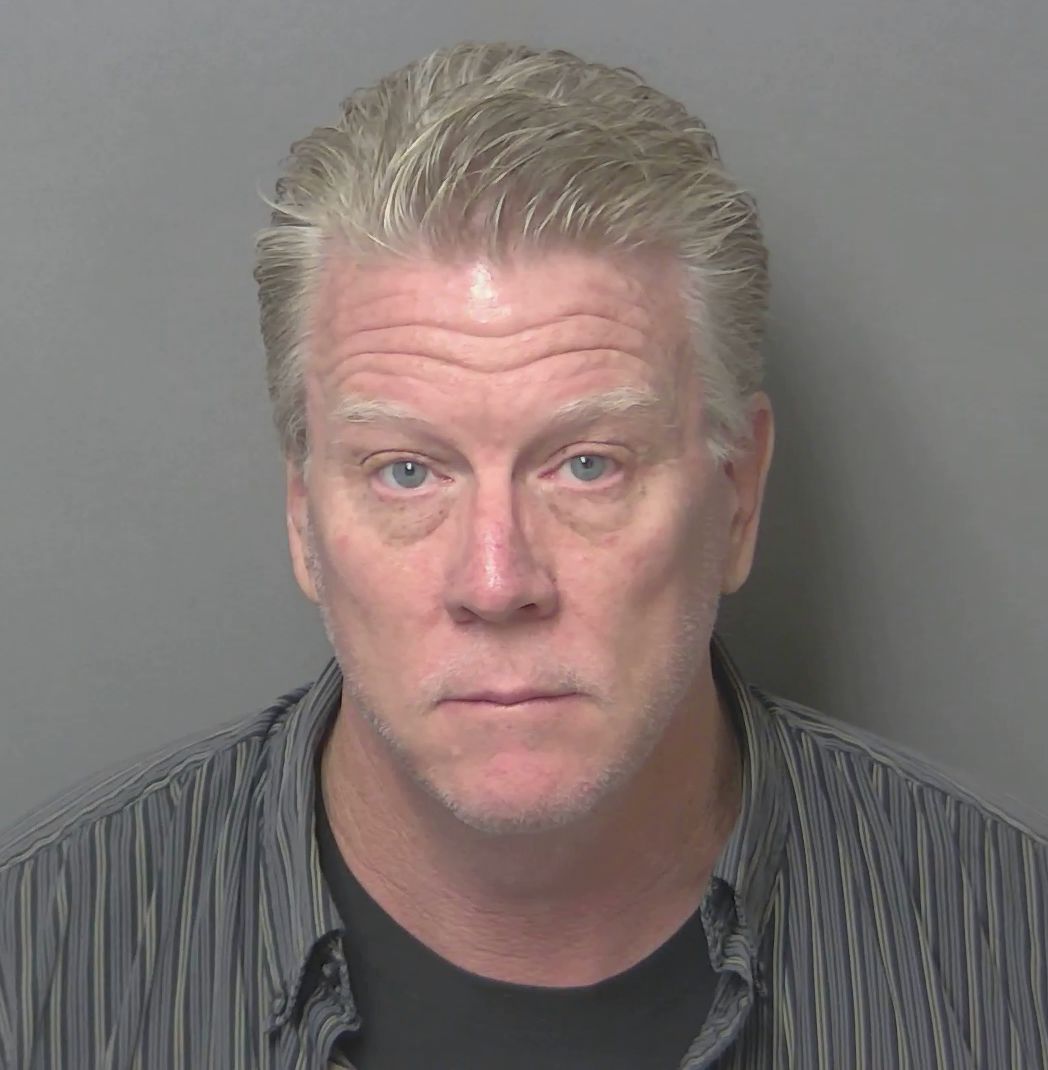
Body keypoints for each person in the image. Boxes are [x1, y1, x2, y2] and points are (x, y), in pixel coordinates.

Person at [1, 40, 1045, 1070]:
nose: (496, 583)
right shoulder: (37, 959)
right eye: (407, 471)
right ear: (303, 517)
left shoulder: (1012, 947)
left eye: (587, 464)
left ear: (737, 495)